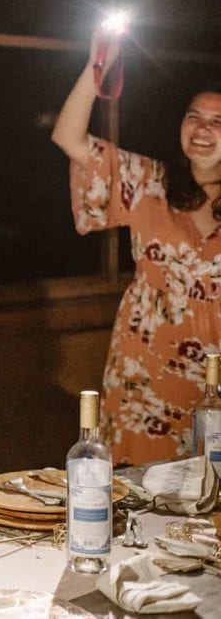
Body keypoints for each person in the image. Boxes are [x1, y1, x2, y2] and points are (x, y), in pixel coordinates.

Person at [52, 31, 221, 465]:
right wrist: (96, 67)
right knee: (145, 492)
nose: (203, 130)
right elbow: (70, 138)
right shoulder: (149, 181)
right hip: (146, 371)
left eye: (218, 121)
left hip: (216, 376)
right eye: (194, 117)